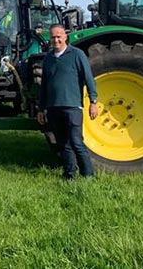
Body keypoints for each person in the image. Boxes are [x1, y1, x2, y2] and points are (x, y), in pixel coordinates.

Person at [37, 24, 99, 179]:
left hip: (72, 106)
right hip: (53, 107)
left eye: (59, 36)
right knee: (63, 143)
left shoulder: (77, 54)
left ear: (65, 37)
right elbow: (44, 85)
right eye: (53, 37)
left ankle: (88, 175)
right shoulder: (49, 58)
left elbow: (88, 78)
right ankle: (69, 174)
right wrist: (41, 109)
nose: (56, 40)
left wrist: (93, 101)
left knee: (77, 142)